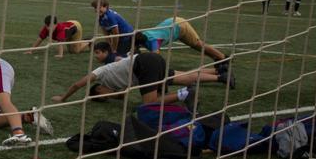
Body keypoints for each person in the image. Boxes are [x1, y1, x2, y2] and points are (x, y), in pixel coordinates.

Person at [50, 41, 233, 105]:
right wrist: (110, 96)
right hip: (151, 62)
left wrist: (63, 98)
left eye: (103, 97)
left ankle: (186, 93)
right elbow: (121, 96)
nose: (107, 97)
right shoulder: (116, 88)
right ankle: (219, 75)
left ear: (99, 90)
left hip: (143, 64)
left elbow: (78, 84)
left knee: (149, 104)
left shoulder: (101, 72)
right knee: (181, 78)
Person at [130, 17, 229, 67]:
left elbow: (157, 59)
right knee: (196, 46)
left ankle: (223, 58)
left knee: (197, 44)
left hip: (180, 26)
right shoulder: (143, 34)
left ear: (139, 44)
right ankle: (217, 59)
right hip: (172, 23)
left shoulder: (153, 42)